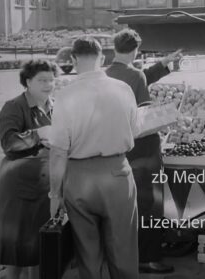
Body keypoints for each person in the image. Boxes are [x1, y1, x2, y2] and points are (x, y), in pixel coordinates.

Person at [48, 36, 139, 279]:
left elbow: (58, 151)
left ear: (74, 59)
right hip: (117, 172)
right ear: (102, 58)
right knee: (123, 249)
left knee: (87, 252)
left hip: (79, 178)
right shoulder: (124, 89)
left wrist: (54, 194)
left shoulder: (65, 96)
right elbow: (135, 130)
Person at [106, 29, 182, 274]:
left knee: (126, 208)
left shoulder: (106, 74)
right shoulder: (135, 76)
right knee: (150, 204)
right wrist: (169, 115)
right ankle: (148, 257)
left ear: (115, 48)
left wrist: (163, 65)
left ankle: (124, 255)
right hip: (142, 151)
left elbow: (138, 77)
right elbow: (144, 116)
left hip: (116, 152)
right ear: (136, 50)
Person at [0, 59, 58, 279]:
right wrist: (38, 135)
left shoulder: (53, 105)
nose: (48, 84)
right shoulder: (14, 106)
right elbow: (9, 142)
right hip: (19, 188)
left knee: (39, 247)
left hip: (44, 187)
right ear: (28, 81)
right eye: (42, 80)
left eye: (51, 80)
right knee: (16, 247)